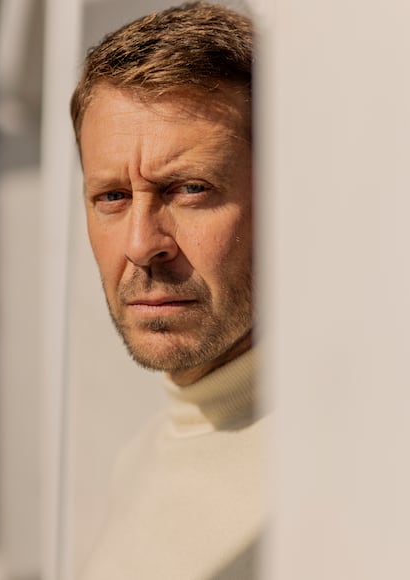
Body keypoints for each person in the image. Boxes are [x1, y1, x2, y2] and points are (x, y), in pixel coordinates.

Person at [70, 2, 269, 578]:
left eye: (188, 189)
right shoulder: (141, 455)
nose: (140, 244)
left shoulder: (353, 481)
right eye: (112, 196)